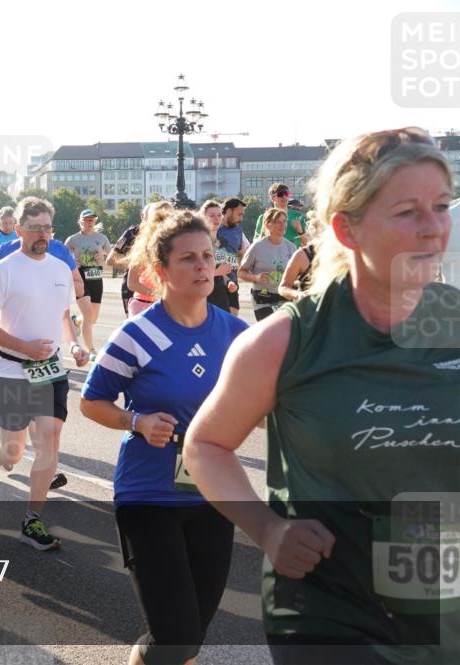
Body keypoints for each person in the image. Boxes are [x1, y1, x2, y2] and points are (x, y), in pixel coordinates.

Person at [185, 127, 459, 665]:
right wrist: (268, 530)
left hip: (441, 596)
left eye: (442, 206)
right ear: (347, 229)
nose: (434, 230)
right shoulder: (284, 340)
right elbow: (205, 446)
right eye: (407, 212)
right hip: (328, 604)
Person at [80, 210, 247, 665]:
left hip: (212, 495)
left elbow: (268, 398)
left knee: (187, 639)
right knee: (176, 636)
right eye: (188, 258)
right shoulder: (138, 335)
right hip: (148, 494)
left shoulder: (236, 334)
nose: (202, 267)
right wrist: (137, 422)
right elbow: (91, 402)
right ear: (161, 271)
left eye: (208, 256)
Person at [0, 196, 88, 550]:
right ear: (20, 229)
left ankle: (32, 520)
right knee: (11, 452)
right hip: (12, 370)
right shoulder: (6, 268)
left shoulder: (60, 268)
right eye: (35, 228)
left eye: (47, 227)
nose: (42, 233)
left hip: (50, 372)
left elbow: (65, 316)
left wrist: (73, 344)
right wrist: (24, 348)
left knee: (50, 441)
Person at [108, 201, 174, 317]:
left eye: (170, 215)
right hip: (140, 295)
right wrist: (142, 262)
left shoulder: (177, 239)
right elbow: (111, 260)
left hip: (165, 302)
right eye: (160, 216)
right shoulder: (134, 234)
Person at [65, 209, 112, 360]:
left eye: (92, 220)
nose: (89, 222)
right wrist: (72, 262)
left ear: (95, 222)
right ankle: (91, 350)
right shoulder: (73, 239)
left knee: (93, 318)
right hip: (80, 277)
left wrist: (102, 258)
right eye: (86, 220)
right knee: (88, 315)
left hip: (96, 276)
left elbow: (110, 257)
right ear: (80, 222)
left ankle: (76, 321)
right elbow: (62, 256)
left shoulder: (102, 238)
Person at [238, 208, 297, 321]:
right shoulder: (257, 247)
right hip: (263, 299)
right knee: (273, 333)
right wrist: (255, 277)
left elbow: (299, 274)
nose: (282, 225)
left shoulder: (291, 247)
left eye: (284, 221)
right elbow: (241, 272)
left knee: (286, 335)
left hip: (284, 298)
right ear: (267, 224)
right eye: (277, 222)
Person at [126, 204, 177, 316]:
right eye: (160, 217)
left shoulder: (180, 244)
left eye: (169, 216)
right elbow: (132, 283)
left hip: (169, 309)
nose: (165, 220)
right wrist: (159, 294)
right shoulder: (142, 245)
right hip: (143, 306)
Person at [201, 200, 240, 312]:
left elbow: (222, 269)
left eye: (219, 215)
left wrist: (229, 282)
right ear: (203, 217)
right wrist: (218, 272)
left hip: (220, 298)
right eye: (212, 215)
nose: (216, 219)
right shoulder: (199, 241)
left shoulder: (221, 242)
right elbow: (193, 273)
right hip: (203, 297)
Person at [217, 198, 250, 315]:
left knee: (233, 318)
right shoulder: (214, 228)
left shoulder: (239, 230)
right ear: (229, 211)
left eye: (242, 215)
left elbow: (247, 250)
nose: (241, 219)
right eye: (239, 214)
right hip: (215, 281)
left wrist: (240, 255)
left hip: (233, 280)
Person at [278, 213, 320, 301]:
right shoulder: (302, 255)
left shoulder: (344, 255)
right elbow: (283, 287)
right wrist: (298, 294)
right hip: (309, 310)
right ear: (315, 231)